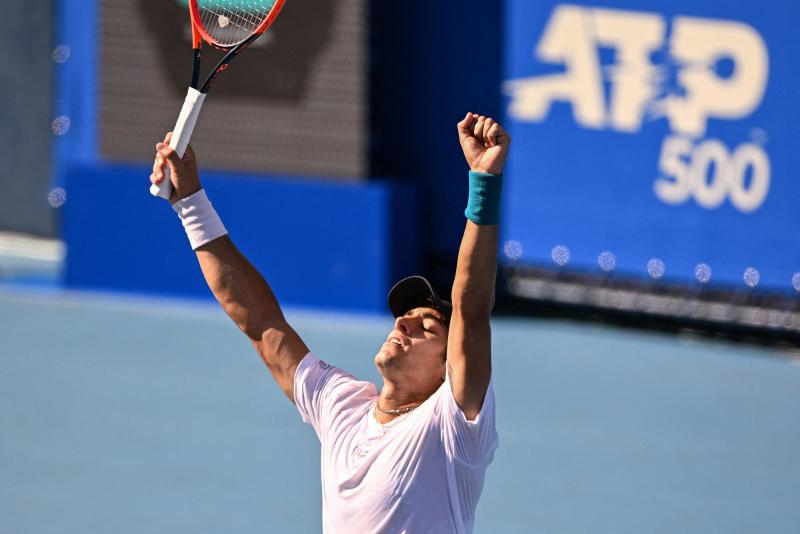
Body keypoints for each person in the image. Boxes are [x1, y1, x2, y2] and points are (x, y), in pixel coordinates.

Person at [149, 112, 510, 533]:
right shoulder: (343, 407)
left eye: (426, 328)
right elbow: (263, 325)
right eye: (406, 317)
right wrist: (189, 202)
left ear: (448, 367)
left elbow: (471, 305)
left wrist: (483, 183)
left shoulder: (451, 427)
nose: (404, 325)